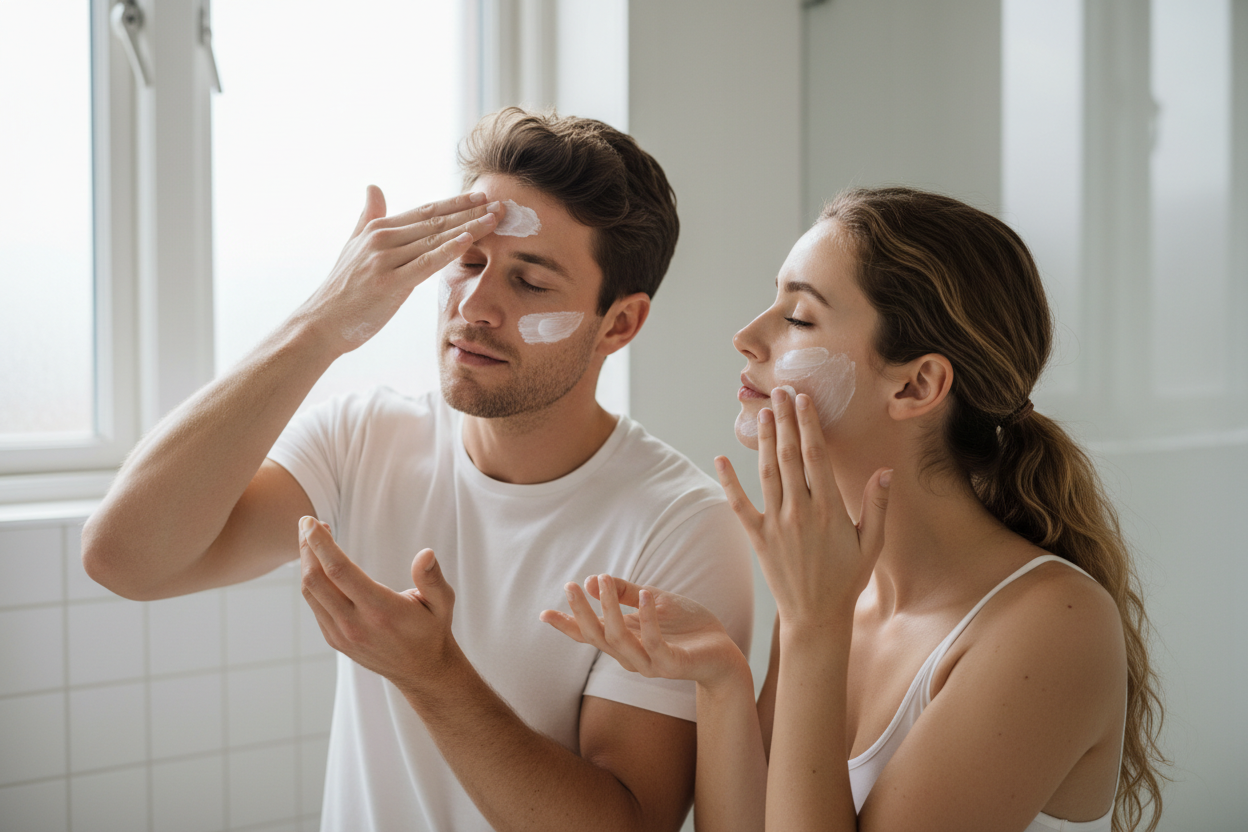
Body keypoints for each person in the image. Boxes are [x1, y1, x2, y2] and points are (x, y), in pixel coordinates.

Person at [82, 108, 754, 832]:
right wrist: (322, 324)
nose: (474, 304)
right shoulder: (364, 436)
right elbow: (125, 559)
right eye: (467, 263)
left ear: (618, 324)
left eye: (529, 283)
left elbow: (627, 823)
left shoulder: (681, 526)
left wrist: (434, 678)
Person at [543, 187, 1167, 832]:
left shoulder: (1051, 626)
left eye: (800, 318)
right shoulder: (834, 584)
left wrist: (814, 628)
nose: (747, 337)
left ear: (915, 385)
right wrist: (724, 684)